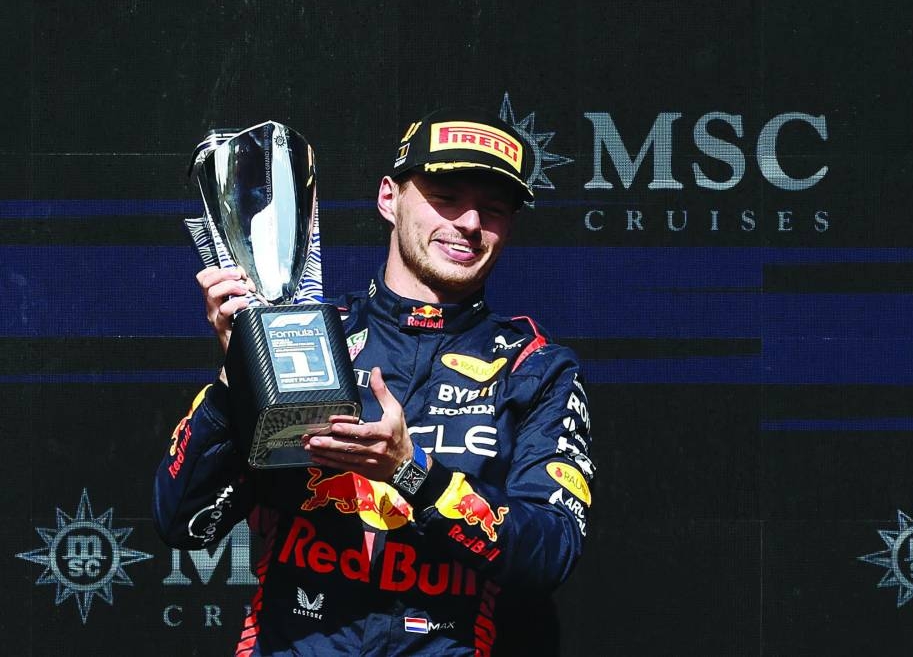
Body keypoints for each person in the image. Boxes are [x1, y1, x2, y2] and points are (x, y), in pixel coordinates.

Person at [153, 108, 595, 656]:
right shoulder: (306, 337)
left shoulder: (534, 366)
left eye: (494, 209)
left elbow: (550, 552)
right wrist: (234, 380)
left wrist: (413, 474)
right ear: (389, 198)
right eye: (447, 196)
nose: (469, 223)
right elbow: (184, 522)